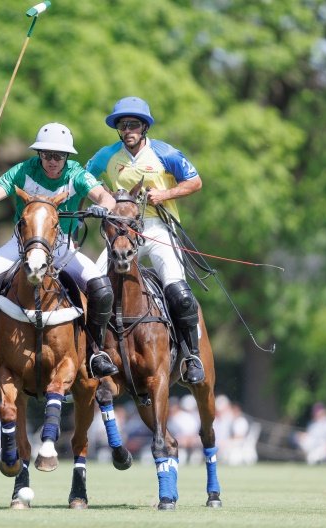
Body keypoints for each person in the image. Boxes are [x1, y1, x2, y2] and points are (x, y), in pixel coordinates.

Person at [0, 122, 118, 381]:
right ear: (39, 154)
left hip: (61, 246)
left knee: (101, 288)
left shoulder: (76, 174)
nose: (53, 161)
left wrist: (104, 206)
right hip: (21, 243)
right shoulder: (22, 171)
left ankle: (95, 353)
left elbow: (105, 196)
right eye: (47, 155)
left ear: (67, 156)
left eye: (58, 156)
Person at [86, 96, 205, 384]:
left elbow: (195, 182)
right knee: (93, 287)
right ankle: (92, 355)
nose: (128, 130)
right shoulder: (107, 155)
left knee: (179, 291)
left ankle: (192, 356)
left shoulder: (165, 153)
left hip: (156, 227)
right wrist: (102, 198)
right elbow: (84, 177)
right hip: (121, 231)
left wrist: (165, 195)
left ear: (144, 127)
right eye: (123, 125)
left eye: (134, 125)